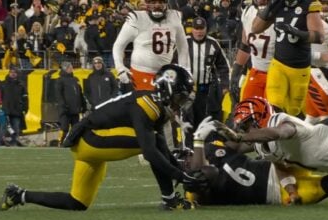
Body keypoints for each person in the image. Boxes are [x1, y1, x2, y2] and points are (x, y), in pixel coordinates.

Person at [0, 64, 203, 212]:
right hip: (91, 140)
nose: (181, 103)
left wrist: (181, 173)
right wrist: (181, 175)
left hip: (91, 147)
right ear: (167, 91)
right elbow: (151, 151)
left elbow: (162, 152)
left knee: (77, 202)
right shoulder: (146, 105)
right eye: (180, 97)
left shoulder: (151, 103)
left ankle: (19, 195)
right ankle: (169, 200)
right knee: (153, 142)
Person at [182, 117, 328, 205]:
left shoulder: (213, 149)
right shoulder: (195, 186)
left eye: (185, 157)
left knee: (304, 137)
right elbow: (202, 173)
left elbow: (241, 145)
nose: (187, 161)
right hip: (277, 194)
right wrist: (198, 141)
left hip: (277, 167)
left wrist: (230, 132)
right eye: (183, 162)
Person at [251, 0, 324, 114]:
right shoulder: (278, 4)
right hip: (278, 63)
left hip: (300, 68)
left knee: (294, 111)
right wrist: (270, 7)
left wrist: (296, 32)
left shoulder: (309, 4)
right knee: (274, 104)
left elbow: (319, 37)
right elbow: (255, 28)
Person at [112, 0, 190, 91]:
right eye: (152, 2)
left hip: (166, 75)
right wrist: (120, 67)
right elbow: (118, 46)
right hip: (140, 74)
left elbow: (183, 47)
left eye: (160, 2)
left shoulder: (174, 17)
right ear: (146, 3)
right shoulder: (137, 18)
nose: (157, 5)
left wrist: (185, 70)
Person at [183, 16, 230, 146]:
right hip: (186, 89)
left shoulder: (213, 43)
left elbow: (223, 65)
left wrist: (225, 84)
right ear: (192, 30)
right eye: (196, 29)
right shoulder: (183, 42)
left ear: (206, 29)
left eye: (201, 29)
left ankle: (204, 145)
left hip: (205, 87)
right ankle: (187, 146)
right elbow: (172, 62)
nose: (199, 32)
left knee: (203, 116)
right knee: (186, 117)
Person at [230, 0, 275, 103]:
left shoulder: (280, 12)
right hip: (255, 71)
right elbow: (245, 46)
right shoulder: (248, 11)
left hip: (277, 73)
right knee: (247, 111)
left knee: (272, 113)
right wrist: (236, 70)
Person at [304, 0, 328, 124]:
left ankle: (305, 141)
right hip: (313, 72)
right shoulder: (305, 23)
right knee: (327, 113)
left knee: (312, 115)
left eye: (327, 3)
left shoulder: (327, 21)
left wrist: (327, 65)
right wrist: (320, 56)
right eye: (321, 2)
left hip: (322, 70)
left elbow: (325, 49)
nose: (324, 6)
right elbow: (296, 53)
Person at [55, 61, 87, 145]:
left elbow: (80, 93)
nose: (71, 69)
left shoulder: (75, 79)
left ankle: (74, 143)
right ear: (65, 69)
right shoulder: (60, 80)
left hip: (75, 109)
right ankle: (60, 142)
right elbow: (58, 95)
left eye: (71, 67)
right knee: (64, 127)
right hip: (65, 110)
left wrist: (84, 105)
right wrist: (63, 105)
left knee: (75, 128)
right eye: (69, 67)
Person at [0, 67, 28, 146]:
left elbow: (25, 98)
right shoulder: (3, 84)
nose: (13, 73)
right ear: (9, 73)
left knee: (16, 127)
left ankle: (14, 142)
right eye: (11, 72)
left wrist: (25, 108)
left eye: (15, 72)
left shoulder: (21, 85)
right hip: (4, 109)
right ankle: (1, 142)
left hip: (17, 110)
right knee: (2, 126)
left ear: (17, 74)